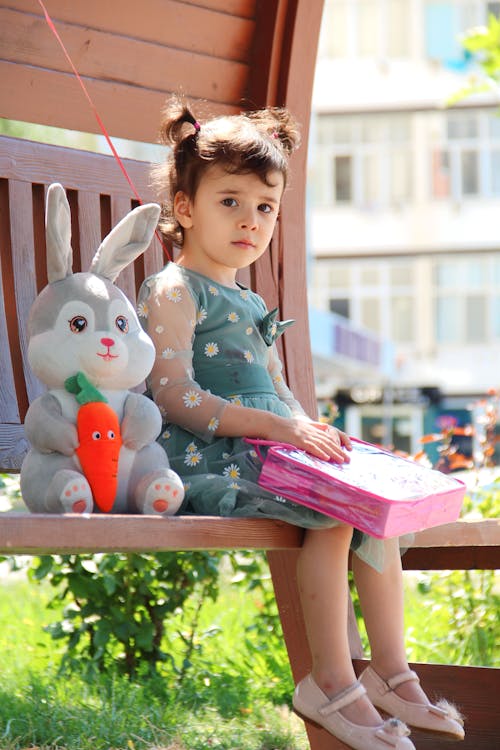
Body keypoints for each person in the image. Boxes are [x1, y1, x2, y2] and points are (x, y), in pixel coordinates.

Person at [137, 96, 464, 750]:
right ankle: (331, 685)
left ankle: (392, 676)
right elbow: (173, 397)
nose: (250, 221)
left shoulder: (251, 300)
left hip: (268, 450)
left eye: (265, 207)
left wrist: (314, 433)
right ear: (184, 208)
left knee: (367, 503)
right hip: (208, 456)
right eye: (229, 201)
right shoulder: (175, 290)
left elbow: (282, 395)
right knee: (337, 512)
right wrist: (284, 432)